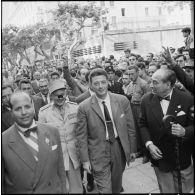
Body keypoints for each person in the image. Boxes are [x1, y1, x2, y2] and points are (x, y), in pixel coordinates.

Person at [75, 68, 137, 193]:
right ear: (90, 85)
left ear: (108, 82)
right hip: (97, 151)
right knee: (106, 189)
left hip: (118, 148)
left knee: (116, 187)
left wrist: (132, 149)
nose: (100, 86)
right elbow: (81, 136)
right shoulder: (84, 107)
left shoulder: (122, 100)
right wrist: (85, 160)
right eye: (96, 83)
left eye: (103, 82)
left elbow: (130, 127)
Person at [139, 69, 194, 193]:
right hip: (160, 158)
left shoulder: (187, 99)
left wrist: (185, 131)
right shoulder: (146, 100)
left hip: (182, 157)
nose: (151, 85)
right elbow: (143, 125)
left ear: (168, 84)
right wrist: (149, 144)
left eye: (155, 82)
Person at [2, 91, 67, 194]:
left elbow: (60, 171)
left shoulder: (52, 131)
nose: (24, 112)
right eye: (18, 109)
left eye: (27, 107)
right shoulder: (3, 141)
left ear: (33, 105)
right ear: (11, 110)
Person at [38, 79, 83, 193]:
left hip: (74, 156)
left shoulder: (75, 108)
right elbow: (42, 138)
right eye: (56, 95)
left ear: (66, 94)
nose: (60, 98)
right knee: (62, 189)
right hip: (56, 158)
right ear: (51, 96)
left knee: (77, 188)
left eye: (62, 95)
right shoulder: (44, 112)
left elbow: (81, 132)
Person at [127, 65, 150, 163]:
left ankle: (147, 154)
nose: (130, 76)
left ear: (137, 72)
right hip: (133, 108)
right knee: (135, 130)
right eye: (129, 74)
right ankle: (140, 150)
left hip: (141, 109)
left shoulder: (143, 83)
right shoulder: (130, 84)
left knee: (142, 130)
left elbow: (149, 98)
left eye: (132, 74)